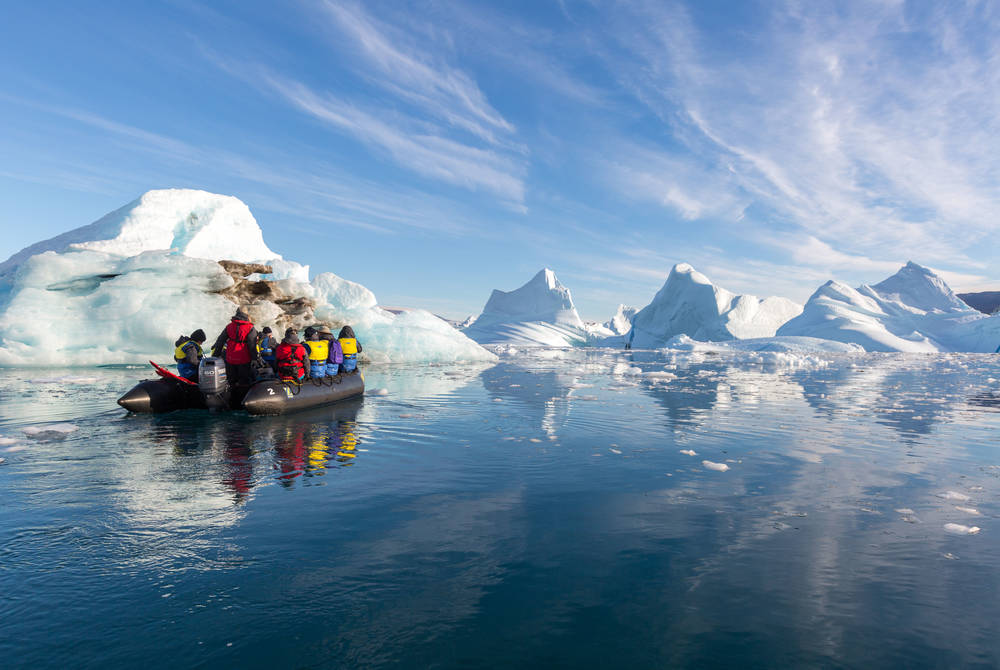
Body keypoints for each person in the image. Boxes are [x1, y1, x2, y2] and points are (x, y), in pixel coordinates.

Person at [211, 308, 259, 388]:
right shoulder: (250, 327)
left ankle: (232, 397)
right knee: (244, 381)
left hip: (230, 358)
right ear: (247, 315)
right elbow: (252, 345)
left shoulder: (229, 326)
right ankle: (242, 397)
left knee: (231, 380)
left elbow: (220, 341)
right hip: (244, 359)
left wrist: (216, 355)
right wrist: (255, 358)